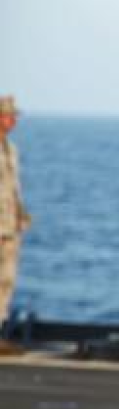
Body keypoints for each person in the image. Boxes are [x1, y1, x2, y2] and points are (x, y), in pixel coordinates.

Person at [0, 96, 30, 343]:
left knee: (6, 280)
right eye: (10, 116)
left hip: (9, 228)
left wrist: (20, 214)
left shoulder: (10, 149)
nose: (13, 121)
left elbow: (12, 187)